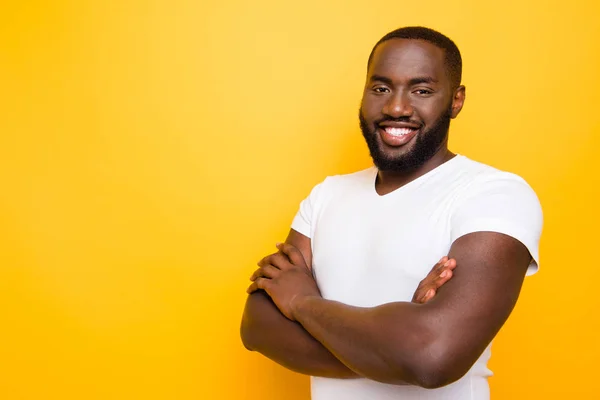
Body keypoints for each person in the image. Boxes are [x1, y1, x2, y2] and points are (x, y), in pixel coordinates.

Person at [240, 26, 543, 400]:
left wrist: (303, 303)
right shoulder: (326, 196)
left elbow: (432, 356)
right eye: (381, 88)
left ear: (456, 100)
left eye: (422, 90)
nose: (396, 107)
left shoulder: (494, 195)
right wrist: (396, 346)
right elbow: (256, 328)